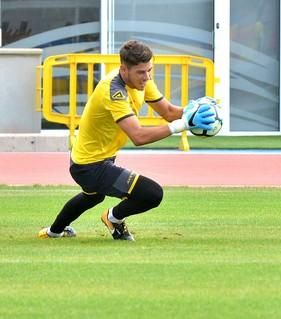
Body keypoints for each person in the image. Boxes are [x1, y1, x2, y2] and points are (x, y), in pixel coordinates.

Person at [38, 40, 216, 241]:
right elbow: (138, 136)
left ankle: (53, 232)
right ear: (124, 69)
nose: (147, 77)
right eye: (141, 72)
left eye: (150, 70)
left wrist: (193, 111)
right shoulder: (114, 92)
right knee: (151, 193)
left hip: (93, 159)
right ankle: (113, 219)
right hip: (89, 165)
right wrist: (184, 124)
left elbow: (168, 112)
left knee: (93, 196)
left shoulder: (142, 80)